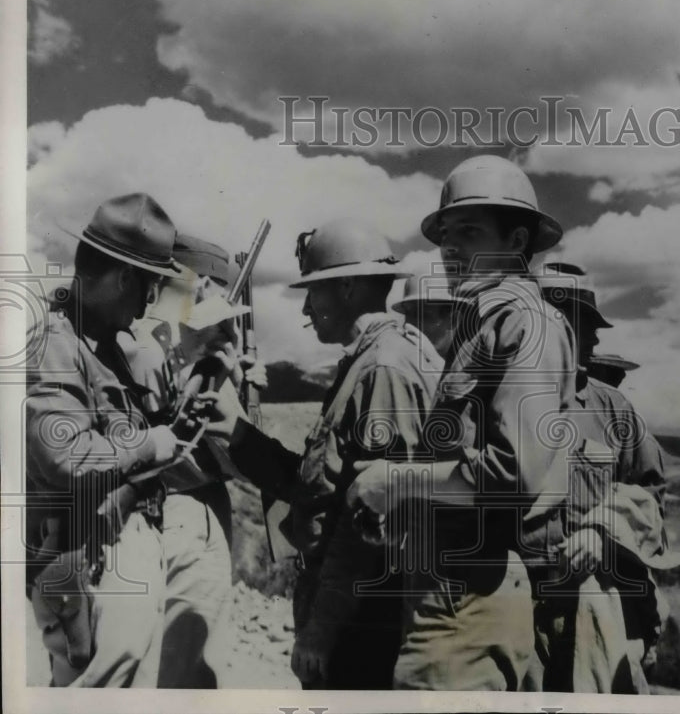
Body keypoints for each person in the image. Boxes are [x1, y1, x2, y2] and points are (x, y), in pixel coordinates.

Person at [344, 154, 577, 691]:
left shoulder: (527, 322)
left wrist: (392, 481)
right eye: (445, 233)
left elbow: (511, 477)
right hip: (448, 589)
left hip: (470, 595)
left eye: (468, 231)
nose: (449, 247)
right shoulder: (485, 324)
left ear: (518, 241)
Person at [196, 220, 441, 690]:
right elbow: (321, 484)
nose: (306, 307)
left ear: (348, 287)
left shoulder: (383, 367)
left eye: (315, 292)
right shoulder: (374, 360)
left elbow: (366, 524)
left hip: (363, 618)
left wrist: (322, 631)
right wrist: (239, 434)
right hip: (358, 608)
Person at [25, 192, 185, 686]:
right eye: (150, 289)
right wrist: (151, 444)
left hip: (107, 550)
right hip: (89, 556)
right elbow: (65, 455)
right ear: (124, 278)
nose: (146, 305)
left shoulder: (100, 345)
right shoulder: (55, 342)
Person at [119, 234, 261, 688]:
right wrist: (230, 381)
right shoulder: (174, 349)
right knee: (186, 667)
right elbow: (235, 459)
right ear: (200, 287)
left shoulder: (139, 340)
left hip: (149, 515)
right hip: (188, 508)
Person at [532, 262, 679, 693]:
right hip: (508, 609)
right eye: (585, 323)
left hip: (588, 612)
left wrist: (602, 529)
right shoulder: (492, 402)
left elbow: (650, 496)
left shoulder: (613, 409)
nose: (596, 338)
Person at [390, 269, 458, 358]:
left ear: (452, 321)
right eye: (408, 316)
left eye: (423, 316)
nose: (408, 326)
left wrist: (435, 361)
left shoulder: (474, 360)